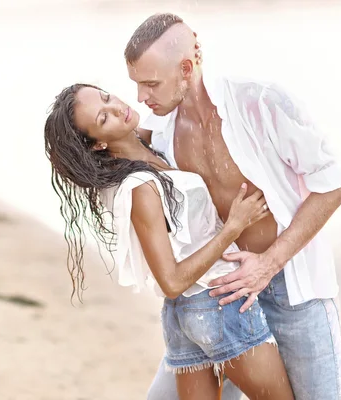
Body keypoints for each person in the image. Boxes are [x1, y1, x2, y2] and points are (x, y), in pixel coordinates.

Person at [125, 13, 341, 400]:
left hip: (292, 290)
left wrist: (269, 264)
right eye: (137, 85)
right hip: (223, 294)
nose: (141, 97)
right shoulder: (158, 133)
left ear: (186, 68)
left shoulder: (261, 102)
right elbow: (101, 145)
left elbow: (333, 185)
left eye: (150, 84)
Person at [44, 83, 295, 400]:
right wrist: (233, 227)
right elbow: (171, 281)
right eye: (103, 118)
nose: (117, 108)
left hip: (185, 315)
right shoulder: (139, 187)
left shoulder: (141, 157)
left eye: (107, 97)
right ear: (98, 144)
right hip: (217, 305)